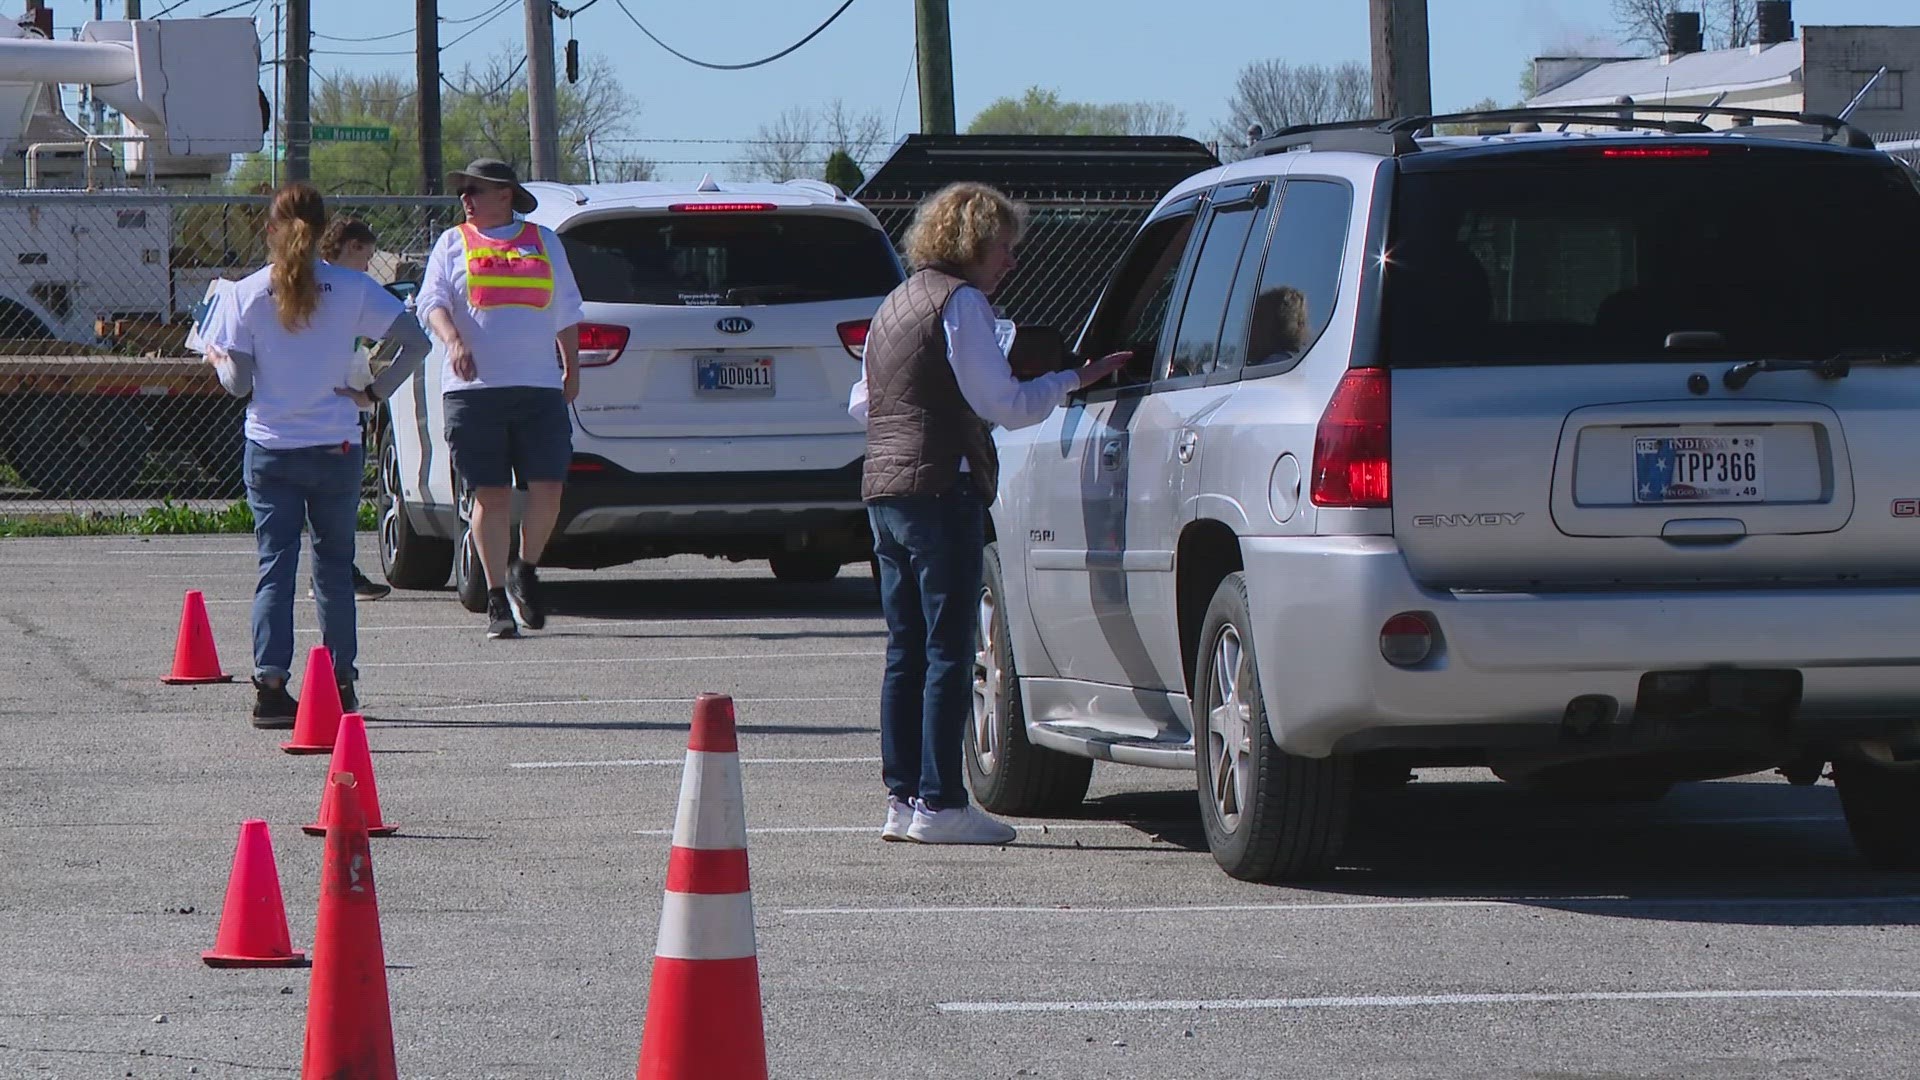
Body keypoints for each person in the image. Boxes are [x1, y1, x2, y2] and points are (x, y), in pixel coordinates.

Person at [848, 181, 1129, 845]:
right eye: (1005, 248)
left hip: (883, 491)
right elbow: (1003, 402)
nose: (1012, 262)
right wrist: (1073, 380)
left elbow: (863, 403)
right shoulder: (961, 303)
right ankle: (943, 803)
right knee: (949, 650)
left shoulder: (895, 303)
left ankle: (904, 798)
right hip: (941, 485)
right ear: (971, 244)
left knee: (906, 651)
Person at [201, 182, 432, 728]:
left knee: (274, 566)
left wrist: (215, 357)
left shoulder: (247, 293)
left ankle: (272, 685)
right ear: (323, 228)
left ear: (271, 230)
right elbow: (416, 341)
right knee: (332, 567)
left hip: (272, 446)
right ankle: (341, 681)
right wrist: (373, 391)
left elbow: (237, 384)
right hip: (336, 444)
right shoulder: (351, 288)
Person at [416, 159, 584, 641]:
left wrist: (571, 366)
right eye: (463, 189)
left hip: (538, 387)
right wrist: (453, 342)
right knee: (490, 495)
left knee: (548, 488)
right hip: (474, 393)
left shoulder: (543, 241)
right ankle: (495, 599)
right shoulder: (452, 243)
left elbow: (567, 308)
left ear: (505, 194)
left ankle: (525, 570)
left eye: (476, 189)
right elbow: (433, 303)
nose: (466, 197)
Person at [303, 215, 391, 603]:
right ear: (351, 248)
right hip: (342, 403)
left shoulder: (312, 284)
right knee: (339, 498)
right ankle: (337, 572)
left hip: (315, 401)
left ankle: (328, 570)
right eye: (367, 256)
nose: (368, 266)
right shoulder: (351, 289)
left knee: (325, 498)